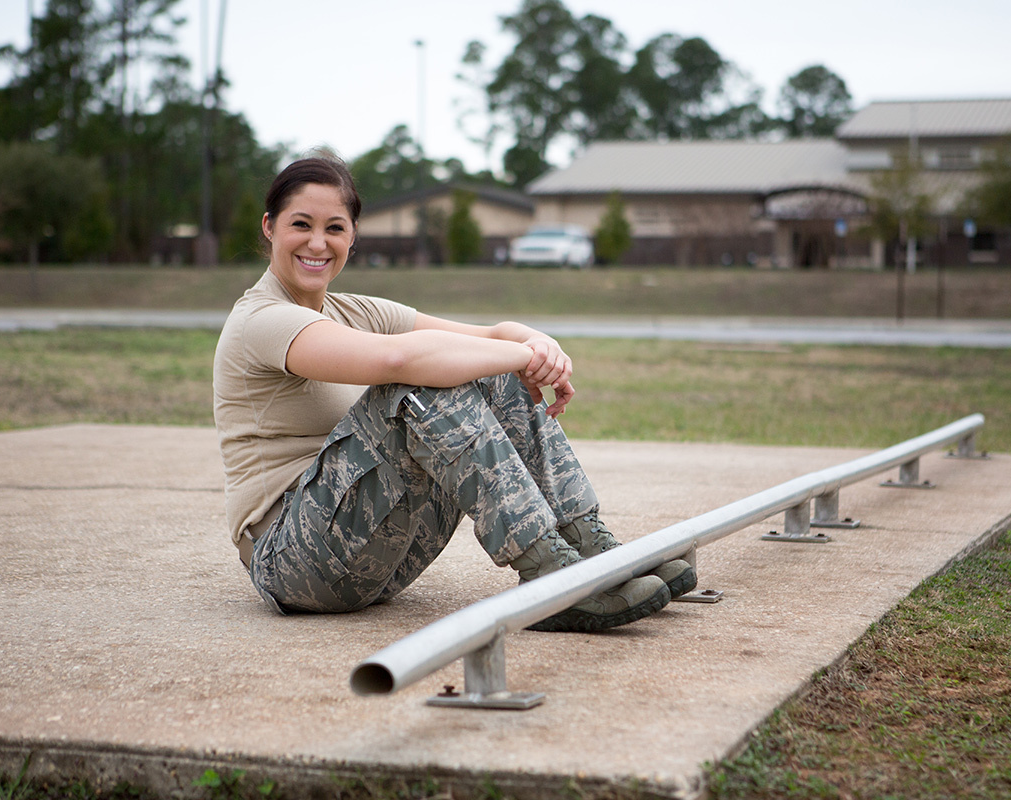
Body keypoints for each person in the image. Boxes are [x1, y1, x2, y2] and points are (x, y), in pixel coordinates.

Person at [212, 153, 695, 631]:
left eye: (335, 228)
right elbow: (399, 361)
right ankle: (550, 574)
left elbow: (488, 338)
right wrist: (521, 357)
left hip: (371, 555)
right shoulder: (261, 320)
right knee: (420, 379)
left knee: (482, 369)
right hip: (293, 561)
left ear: (353, 237)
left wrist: (536, 343)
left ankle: (591, 548)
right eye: (302, 224)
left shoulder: (356, 311)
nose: (318, 242)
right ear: (270, 227)